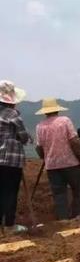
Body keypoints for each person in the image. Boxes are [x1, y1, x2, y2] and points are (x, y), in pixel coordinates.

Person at [35, 98, 80, 220]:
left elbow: (39, 147)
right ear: (57, 110)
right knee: (78, 189)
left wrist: (45, 157)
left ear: (45, 112)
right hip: (70, 163)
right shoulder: (65, 121)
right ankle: (79, 216)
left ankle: (63, 219)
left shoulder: (40, 126)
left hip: (52, 166)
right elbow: (74, 141)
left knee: (59, 194)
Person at [0, 80, 30, 233]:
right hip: (10, 160)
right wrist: (24, 138)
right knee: (10, 191)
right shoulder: (13, 114)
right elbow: (23, 136)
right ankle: (10, 225)